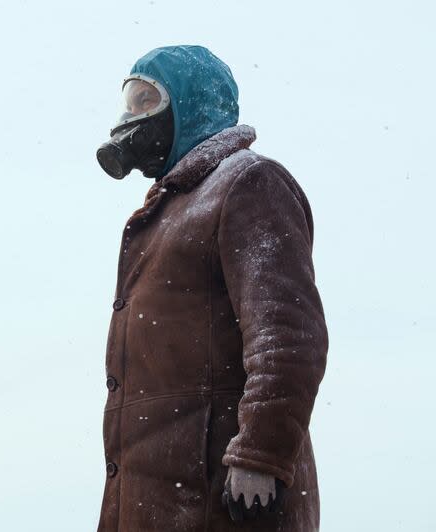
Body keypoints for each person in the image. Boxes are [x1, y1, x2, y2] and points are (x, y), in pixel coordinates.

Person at [95, 45, 328, 531]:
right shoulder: (168, 210)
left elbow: (287, 334)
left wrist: (261, 454)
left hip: (218, 501)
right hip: (158, 498)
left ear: (190, 102)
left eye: (146, 101)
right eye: (129, 100)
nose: (131, 116)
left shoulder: (247, 182)